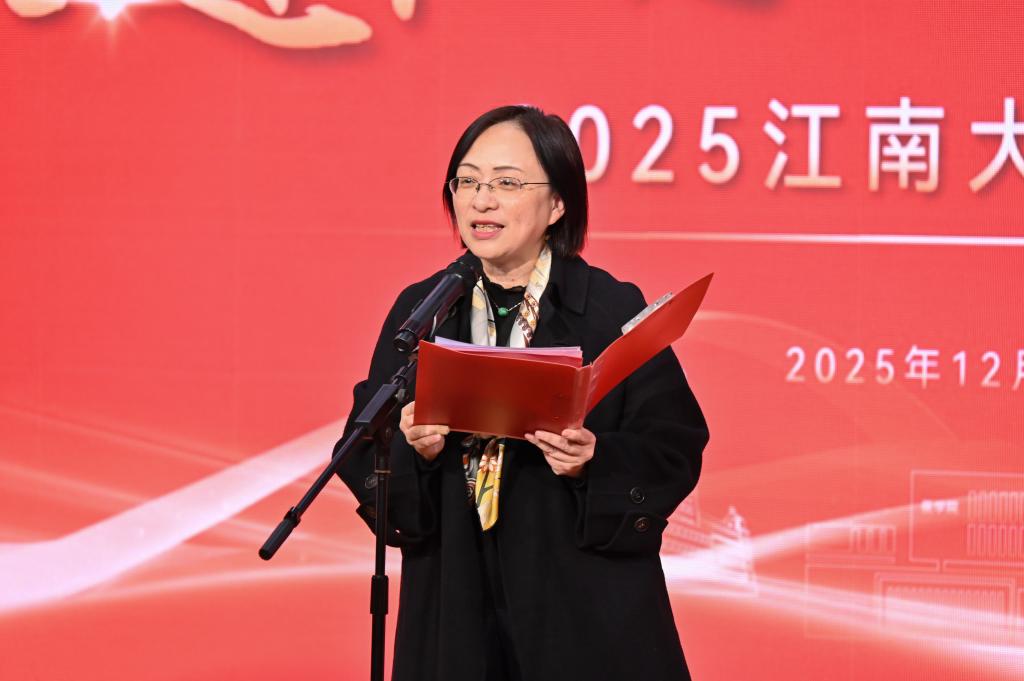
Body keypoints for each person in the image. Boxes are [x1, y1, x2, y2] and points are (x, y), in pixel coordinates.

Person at [336, 105, 708, 681]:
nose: (481, 201)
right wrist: (413, 449)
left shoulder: (608, 308)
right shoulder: (424, 311)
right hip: (456, 600)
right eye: (467, 182)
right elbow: (360, 445)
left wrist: (593, 462)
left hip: (582, 607)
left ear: (557, 204)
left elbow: (673, 445)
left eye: (506, 183)